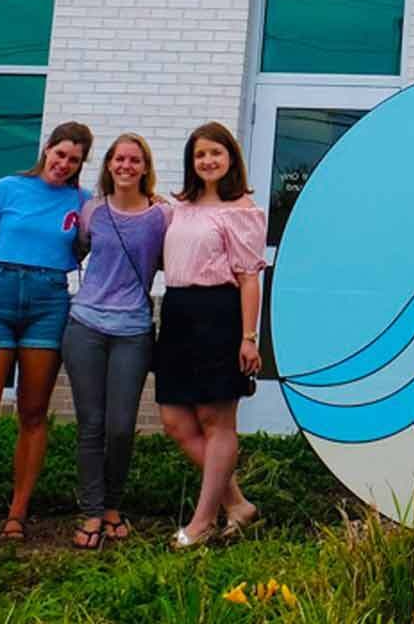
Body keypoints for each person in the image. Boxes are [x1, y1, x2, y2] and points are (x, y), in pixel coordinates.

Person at [0, 121, 94, 540]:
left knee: (32, 411)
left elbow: (115, 223)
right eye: (60, 154)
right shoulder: (6, 188)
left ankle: (17, 512)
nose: (63, 164)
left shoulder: (83, 203)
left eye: (74, 160)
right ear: (46, 149)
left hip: (48, 300)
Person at [155, 121, 266, 548]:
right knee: (175, 420)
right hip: (178, 312)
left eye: (216, 154)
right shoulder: (178, 207)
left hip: (219, 313)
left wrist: (249, 337)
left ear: (231, 159)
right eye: (200, 154)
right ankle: (237, 504)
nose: (207, 161)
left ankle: (201, 522)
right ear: (191, 161)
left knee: (215, 419)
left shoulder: (241, 211)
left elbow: (249, 278)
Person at [61, 133, 171, 550]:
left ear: (145, 168)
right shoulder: (92, 212)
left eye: (134, 160)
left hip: (134, 330)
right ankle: (93, 511)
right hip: (85, 324)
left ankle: (113, 504)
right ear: (109, 165)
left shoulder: (161, 217)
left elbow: (173, 259)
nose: (126, 166)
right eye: (119, 159)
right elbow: (74, 251)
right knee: (91, 424)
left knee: (122, 427)